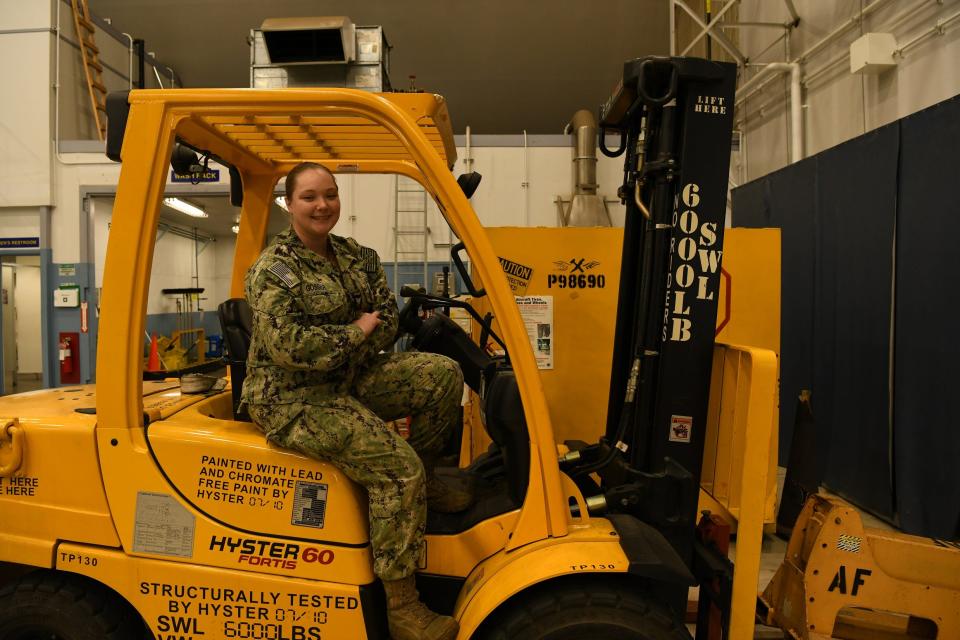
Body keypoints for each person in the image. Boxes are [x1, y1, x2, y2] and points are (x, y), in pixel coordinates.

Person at [241, 162, 470, 640]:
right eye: (309, 197)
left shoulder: (356, 256)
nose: (322, 205)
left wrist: (355, 335)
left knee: (443, 376)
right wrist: (357, 329)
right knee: (395, 468)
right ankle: (403, 608)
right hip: (293, 397)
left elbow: (386, 317)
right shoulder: (273, 270)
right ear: (289, 204)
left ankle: (423, 484)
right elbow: (292, 348)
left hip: (346, 376)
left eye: (330, 194)